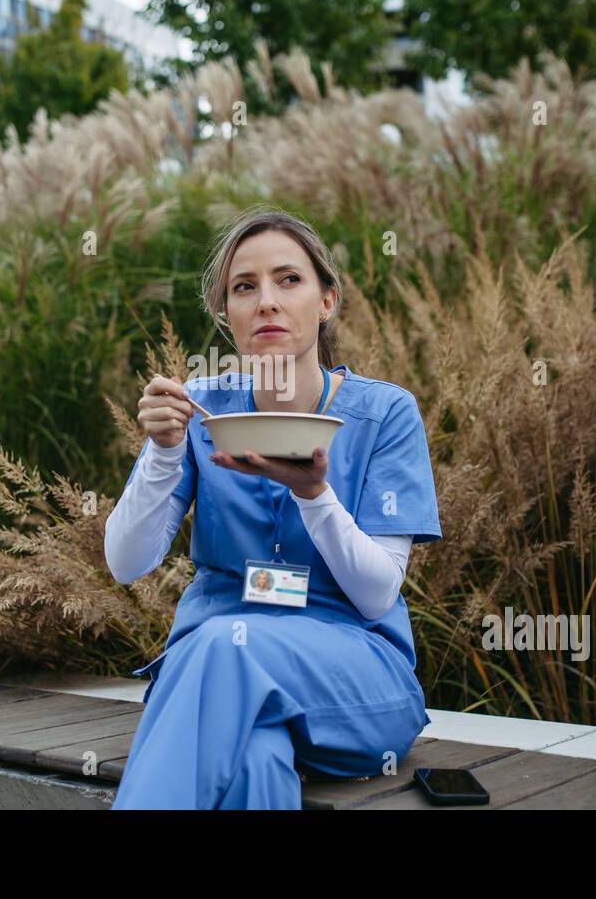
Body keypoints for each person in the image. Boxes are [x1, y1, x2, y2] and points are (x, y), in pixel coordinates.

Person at [104, 207, 443, 809]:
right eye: (244, 287)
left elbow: (376, 595)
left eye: (289, 280)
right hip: (218, 688)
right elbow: (126, 563)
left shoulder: (385, 414)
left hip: (352, 683)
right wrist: (162, 453)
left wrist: (314, 494)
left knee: (220, 643)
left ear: (327, 300)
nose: (266, 301)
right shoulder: (198, 411)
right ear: (223, 313)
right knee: (256, 765)